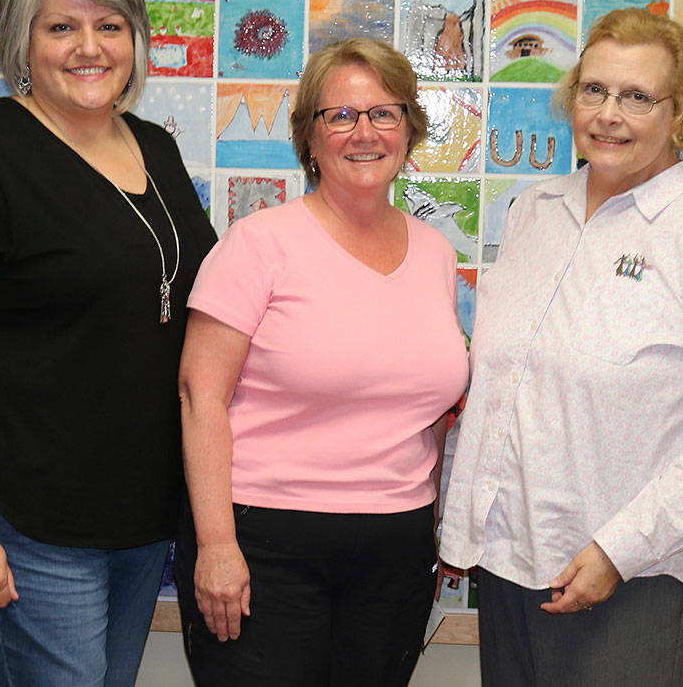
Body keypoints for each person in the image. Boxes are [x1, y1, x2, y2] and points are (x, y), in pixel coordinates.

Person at [0, 0, 216, 686]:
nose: (89, 47)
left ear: (135, 37)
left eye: (110, 25)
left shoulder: (155, 149)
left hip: (138, 512)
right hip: (31, 517)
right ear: (22, 44)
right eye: (61, 27)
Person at [439, 8, 683, 685]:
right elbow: (505, 384)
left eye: (636, 96)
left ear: (677, 111)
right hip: (511, 561)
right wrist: (460, 521)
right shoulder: (535, 208)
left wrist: (618, 550)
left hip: (633, 578)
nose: (608, 114)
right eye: (594, 90)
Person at [175, 37, 469, 685]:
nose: (363, 132)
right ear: (309, 138)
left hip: (395, 549)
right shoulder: (258, 244)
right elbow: (201, 398)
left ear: (410, 130)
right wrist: (218, 546)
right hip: (263, 545)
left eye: (383, 113)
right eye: (339, 116)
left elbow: (431, 408)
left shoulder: (435, 253)